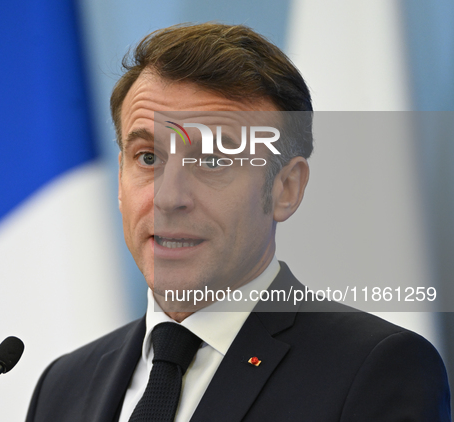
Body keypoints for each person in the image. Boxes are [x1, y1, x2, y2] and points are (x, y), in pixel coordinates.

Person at [26, 23, 450, 421]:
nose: (168, 198)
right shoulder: (64, 385)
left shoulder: (375, 369)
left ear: (286, 188)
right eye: (148, 158)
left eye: (212, 161)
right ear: (121, 177)